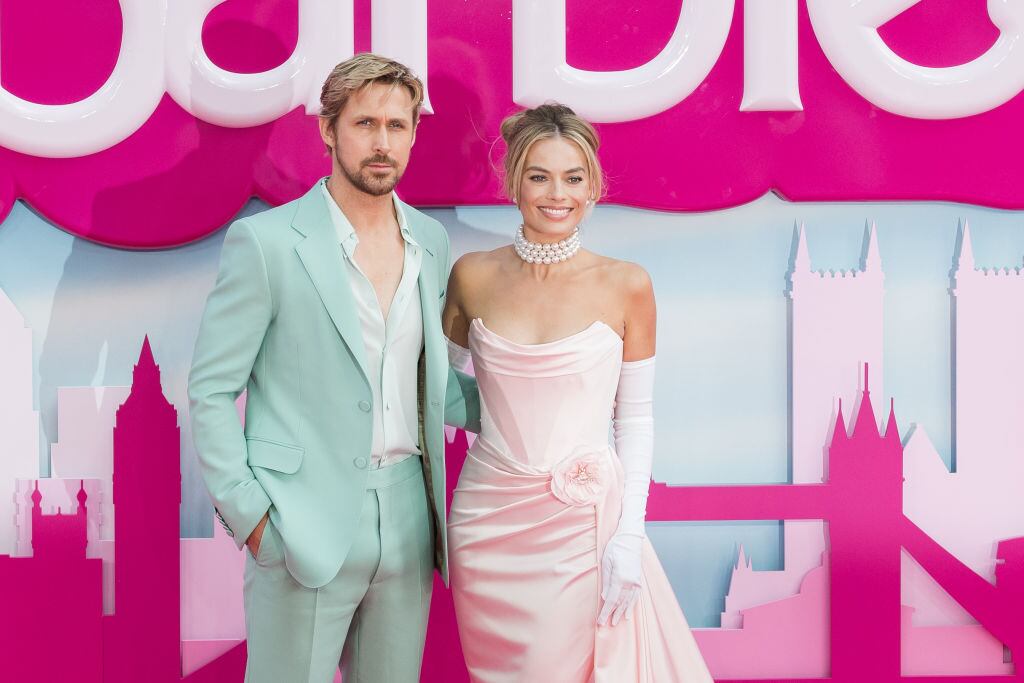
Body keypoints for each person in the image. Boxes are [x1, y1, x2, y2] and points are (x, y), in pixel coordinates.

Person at [188, 54, 480, 683]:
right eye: (365, 124)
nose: (382, 143)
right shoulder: (266, 243)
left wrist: (544, 400)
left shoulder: (431, 242)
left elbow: (431, 388)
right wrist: (253, 519)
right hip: (300, 523)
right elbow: (211, 390)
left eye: (397, 126)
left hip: (409, 518)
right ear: (328, 130)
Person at [442, 103, 713, 682]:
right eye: (539, 176)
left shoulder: (626, 284)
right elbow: (437, 388)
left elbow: (635, 420)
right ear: (514, 179)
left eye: (573, 177)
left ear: (593, 186)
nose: (556, 194)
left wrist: (630, 535)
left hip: (581, 527)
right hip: (486, 523)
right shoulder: (471, 275)